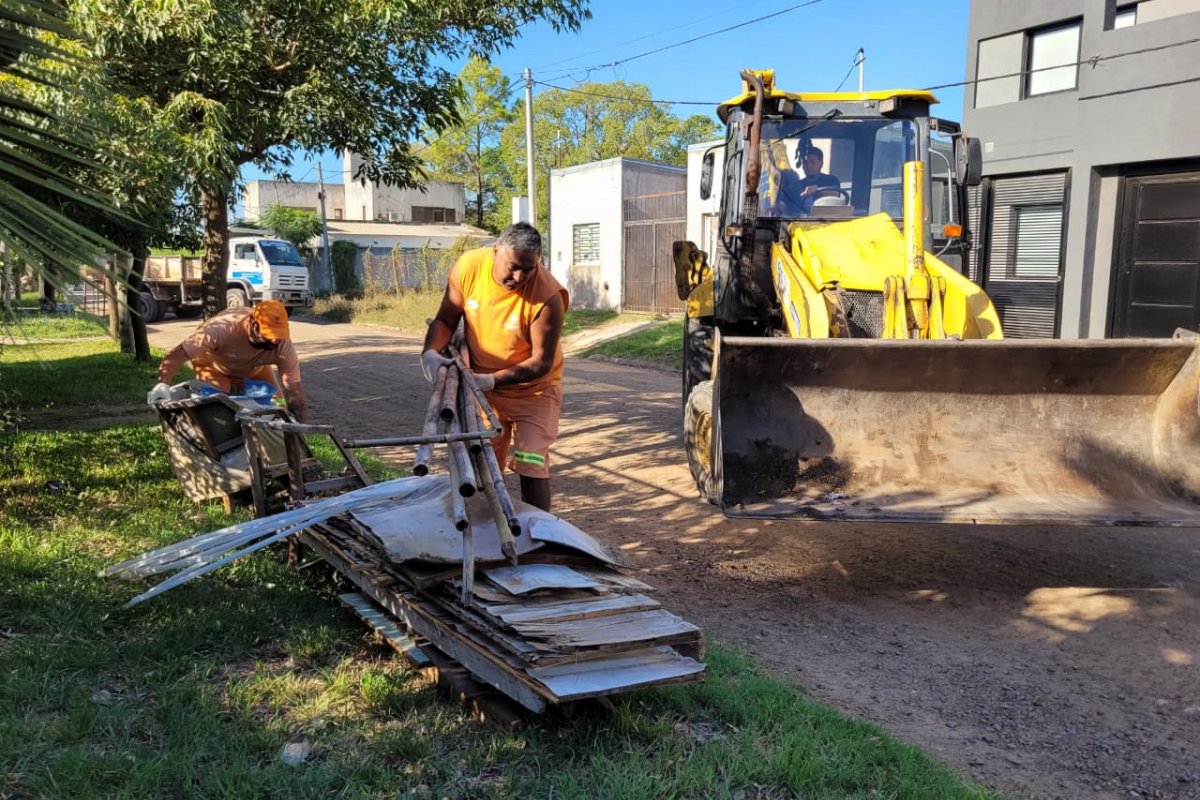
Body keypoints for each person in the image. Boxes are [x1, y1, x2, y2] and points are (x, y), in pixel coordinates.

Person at [421, 222, 568, 512]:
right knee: (485, 463)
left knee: (532, 461)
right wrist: (429, 353)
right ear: (496, 251)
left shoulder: (548, 298)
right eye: (513, 266)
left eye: (528, 269)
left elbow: (541, 362)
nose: (520, 277)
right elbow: (447, 319)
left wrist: (491, 380)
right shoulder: (468, 268)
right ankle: (487, 527)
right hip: (484, 389)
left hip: (534, 392)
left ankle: (538, 530)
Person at [147, 299, 309, 422]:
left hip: (255, 369)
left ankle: (273, 445)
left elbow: (294, 391)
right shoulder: (220, 329)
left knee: (278, 405)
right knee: (220, 409)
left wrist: (298, 429)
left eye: (278, 335)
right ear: (252, 323)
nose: (274, 341)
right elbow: (176, 356)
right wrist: (163, 384)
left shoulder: (283, 346)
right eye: (268, 334)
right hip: (213, 367)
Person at [795, 146, 843, 214]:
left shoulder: (831, 180)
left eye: (813, 162)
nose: (809, 166)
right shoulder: (796, 185)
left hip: (828, 220)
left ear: (821, 163)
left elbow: (835, 194)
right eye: (805, 163)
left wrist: (817, 190)